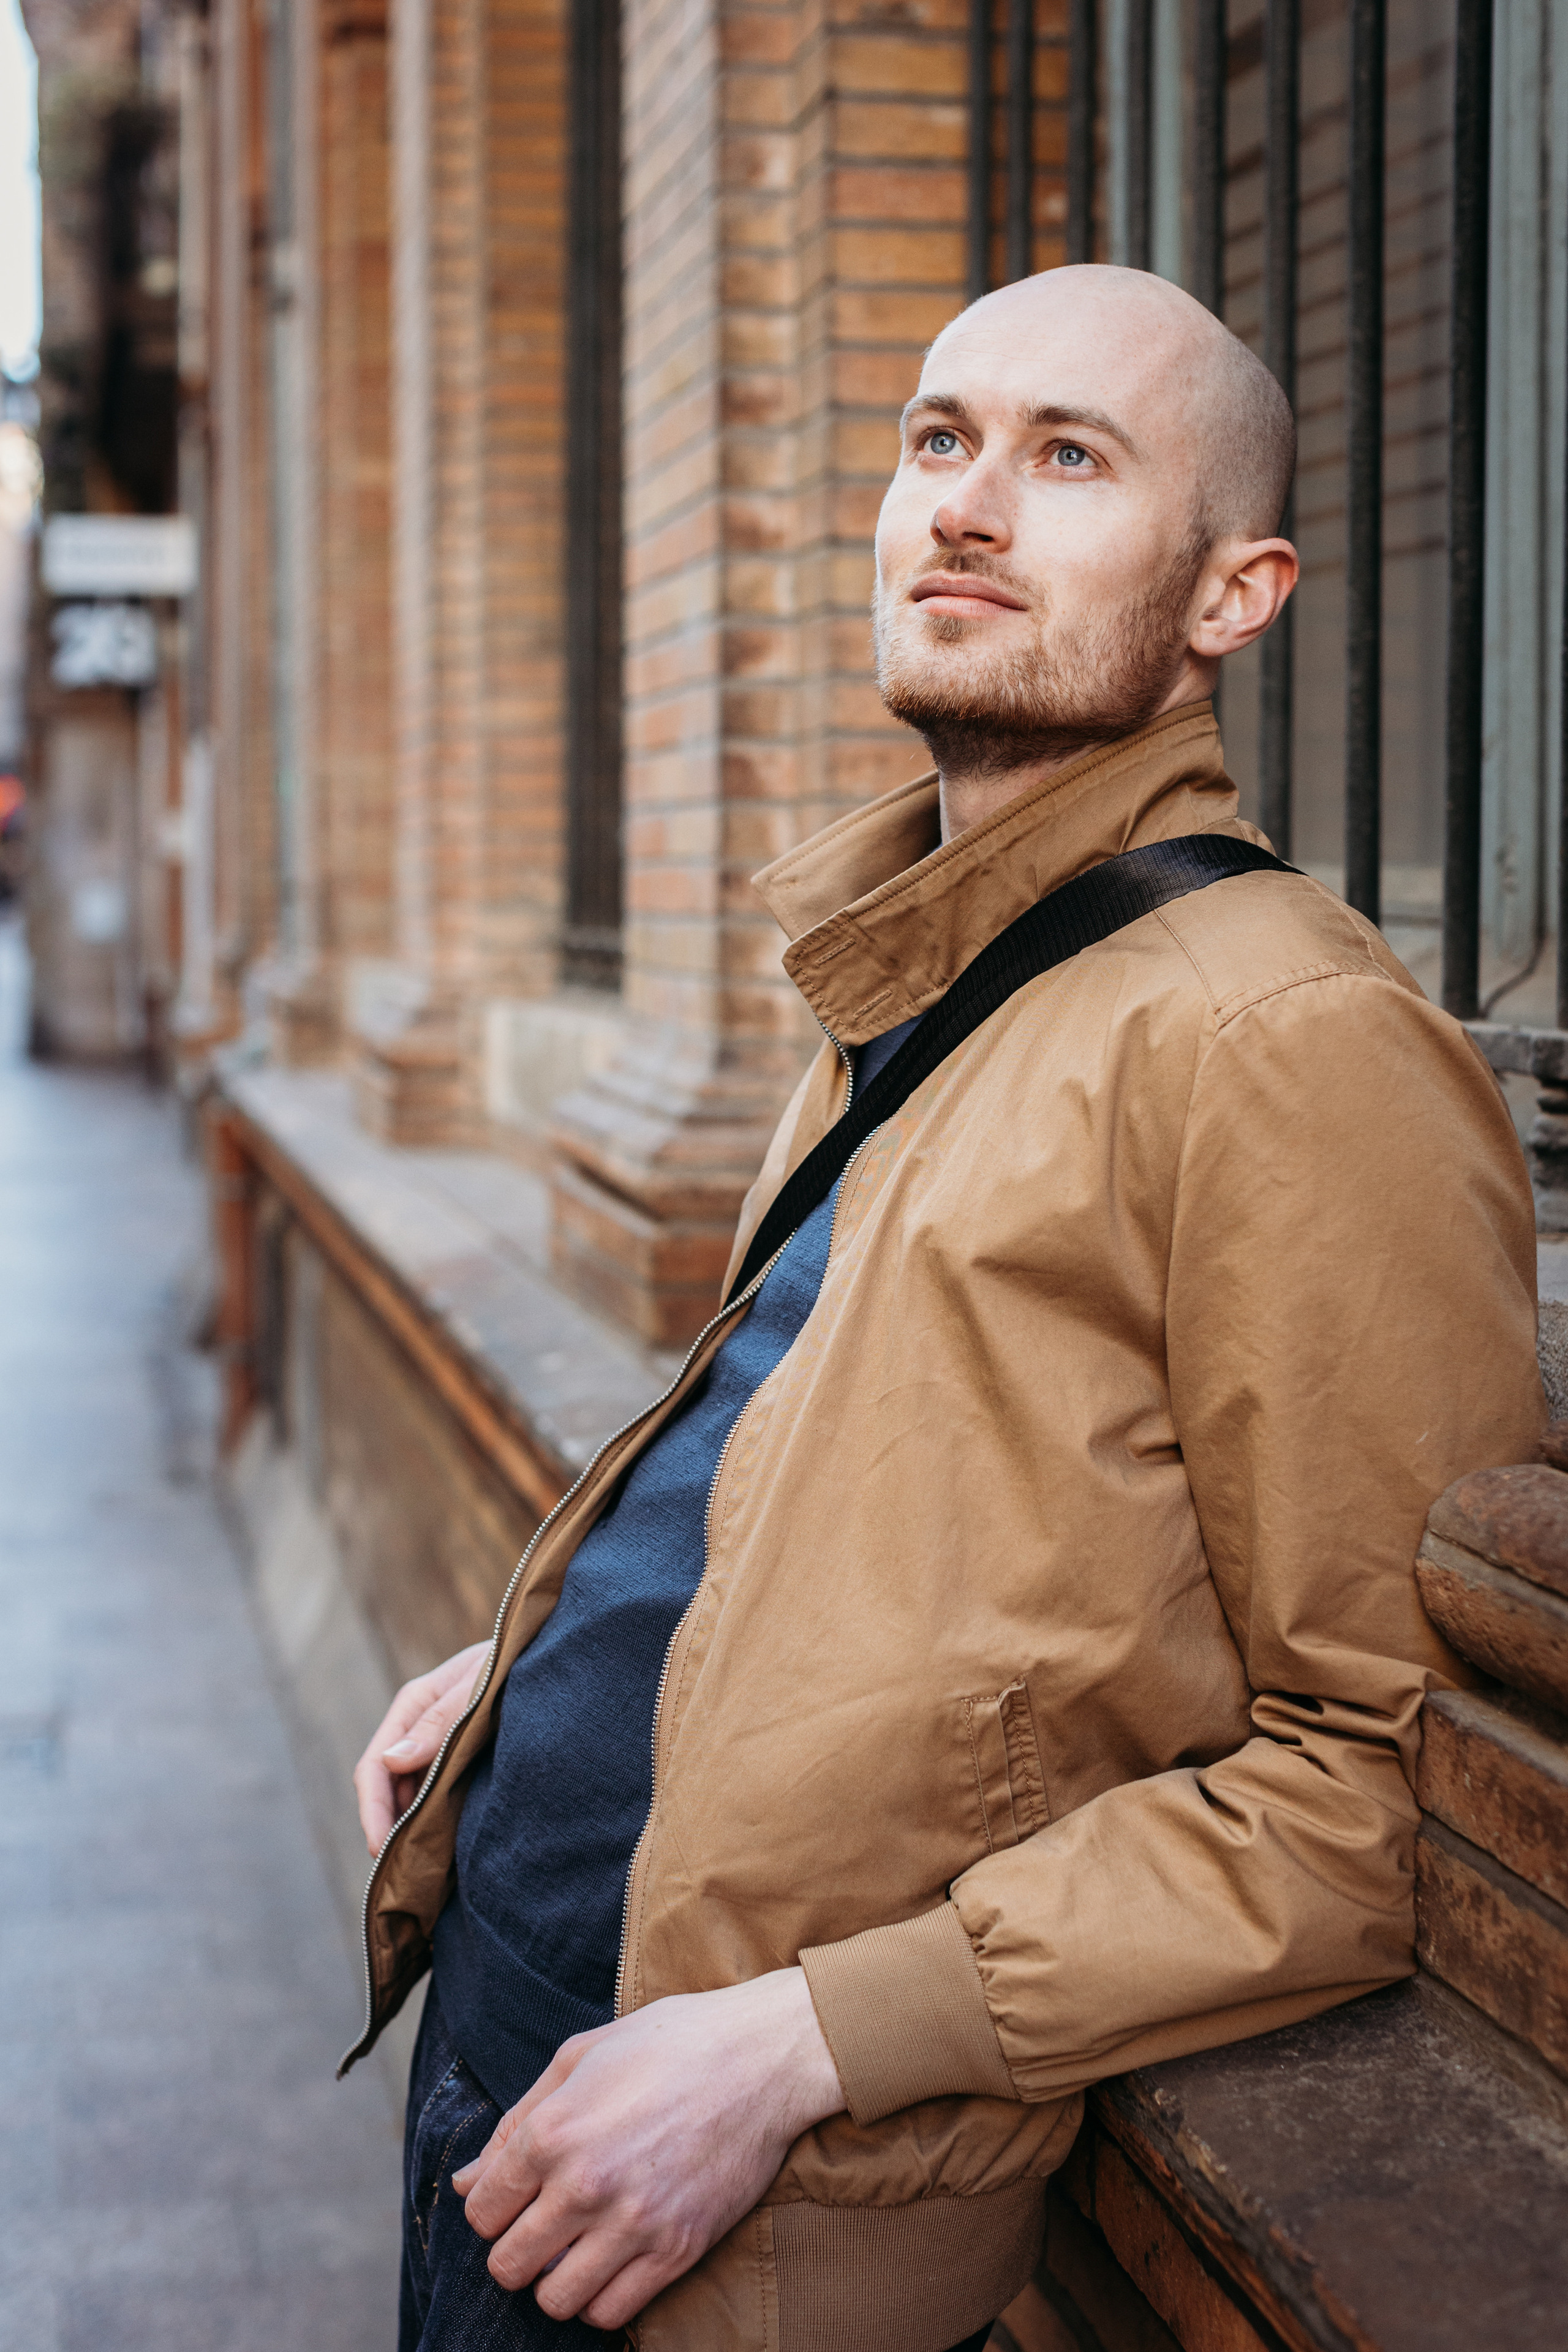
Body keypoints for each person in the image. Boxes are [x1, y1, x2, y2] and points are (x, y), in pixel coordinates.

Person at [352, 265, 1544, 2352]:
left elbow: (1379, 1789)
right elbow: (867, 1472)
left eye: (1070, 458)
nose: (966, 506)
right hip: (526, 2039)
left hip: (746, 2193)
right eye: (938, 440)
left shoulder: (1290, 1042)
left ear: (1233, 595)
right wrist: (555, 1661)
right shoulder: (926, 964)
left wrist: (798, 2047)